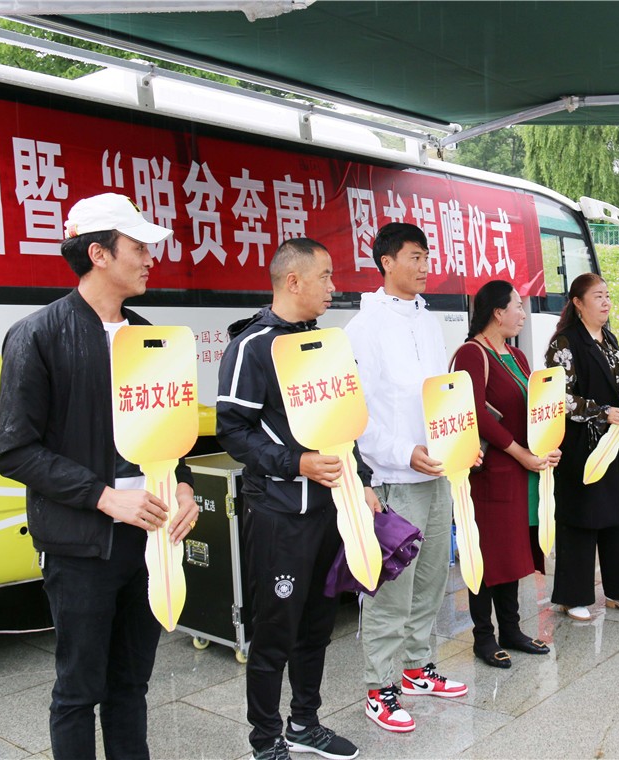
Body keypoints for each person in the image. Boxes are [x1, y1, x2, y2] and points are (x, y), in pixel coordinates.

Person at [0, 193, 199, 760]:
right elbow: (15, 451)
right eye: (139, 247)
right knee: (78, 691)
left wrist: (183, 486)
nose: (151, 258)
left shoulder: (149, 335)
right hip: (80, 547)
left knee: (131, 685)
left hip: (150, 538)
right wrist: (105, 498)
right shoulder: (38, 334)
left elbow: (168, 434)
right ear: (99, 254)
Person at [216, 238, 379, 760]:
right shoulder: (251, 346)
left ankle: (304, 723)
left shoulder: (324, 343)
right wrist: (296, 463)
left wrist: (363, 482)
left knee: (316, 626)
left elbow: (343, 426)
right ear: (293, 281)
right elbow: (232, 430)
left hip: (330, 511)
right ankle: (265, 739)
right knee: (274, 632)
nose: (334, 287)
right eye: (325, 276)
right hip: (279, 514)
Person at [345, 222, 468, 734]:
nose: (424, 267)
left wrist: (459, 444)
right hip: (394, 477)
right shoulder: (364, 328)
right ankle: (379, 687)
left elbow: (440, 395)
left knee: (433, 579)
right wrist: (401, 453)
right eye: (414, 257)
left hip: (436, 472)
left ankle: (418, 668)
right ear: (387, 262)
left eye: (426, 257)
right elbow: (357, 413)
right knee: (391, 590)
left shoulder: (427, 320)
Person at [452, 280, 561, 668]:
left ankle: (511, 629)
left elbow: (535, 408)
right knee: (486, 556)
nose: (523, 314)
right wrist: (519, 453)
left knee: (512, 551)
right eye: (517, 306)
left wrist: (548, 444)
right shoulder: (471, 353)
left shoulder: (516, 355)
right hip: (492, 472)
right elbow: (475, 413)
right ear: (497, 313)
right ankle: (484, 637)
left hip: (522, 471)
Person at [544, 272, 619, 622]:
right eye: (598, 296)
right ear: (578, 303)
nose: (606, 302)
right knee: (581, 517)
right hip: (581, 445)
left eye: (607, 295)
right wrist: (601, 411)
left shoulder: (609, 338)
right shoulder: (565, 343)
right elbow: (558, 397)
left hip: (616, 442)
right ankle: (572, 596)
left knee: (616, 515)